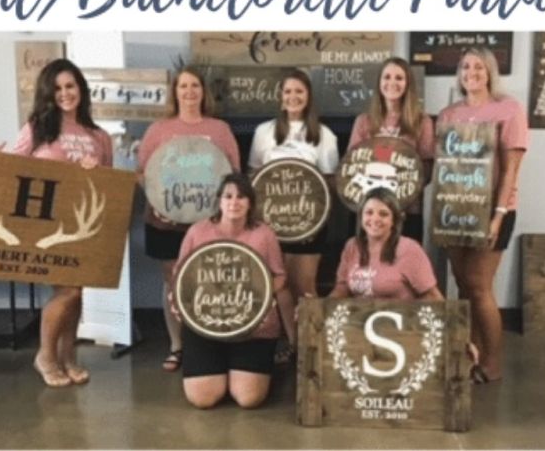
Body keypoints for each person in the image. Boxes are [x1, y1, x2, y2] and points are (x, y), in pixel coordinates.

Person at [0, 59, 113, 388]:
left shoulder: (100, 136)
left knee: (77, 295)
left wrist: (97, 171)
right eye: (57, 88)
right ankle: (46, 356)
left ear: (80, 88)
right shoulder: (37, 128)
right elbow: (12, 168)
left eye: (70, 86)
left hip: (83, 226)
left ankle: (68, 358)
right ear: (47, 94)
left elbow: (109, 186)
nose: (65, 93)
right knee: (69, 291)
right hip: (46, 229)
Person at [137, 66, 240, 373]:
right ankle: (178, 345)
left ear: (203, 92)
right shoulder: (159, 129)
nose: (190, 92)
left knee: (211, 281)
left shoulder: (219, 129)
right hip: (166, 223)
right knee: (173, 281)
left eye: (195, 86)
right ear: (175, 92)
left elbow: (234, 174)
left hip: (210, 224)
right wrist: (159, 200)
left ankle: (209, 343)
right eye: (183, 86)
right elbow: (142, 174)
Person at [437, 47, 528, 384]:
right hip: (454, 209)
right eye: (465, 66)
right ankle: (469, 350)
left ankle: (492, 361)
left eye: (478, 66)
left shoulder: (509, 109)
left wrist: (498, 215)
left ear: (490, 72)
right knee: (462, 285)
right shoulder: (448, 115)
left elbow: (511, 170)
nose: (471, 72)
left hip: (493, 210)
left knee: (479, 286)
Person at [170, 173, 288, 409]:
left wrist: (262, 299)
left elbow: (280, 275)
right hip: (205, 326)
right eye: (228, 196)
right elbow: (180, 274)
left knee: (248, 399)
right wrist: (178, 301)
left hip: (253, 328)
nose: (234, 202)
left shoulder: (264, 234)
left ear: (251, 203)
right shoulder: (198, 231)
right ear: (219, 201)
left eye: (241, 197)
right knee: (202, 399)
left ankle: (243, 369)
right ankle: (219, 366)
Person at [248, 69, 338, 363]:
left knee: (306, 286)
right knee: (280, 285)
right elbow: (254, 176)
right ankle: (292, 343)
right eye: (287, 91)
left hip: (310, 225)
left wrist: (314, 220)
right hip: (271, 225)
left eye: (299, 91)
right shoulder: (264, 132)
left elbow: (330, 182)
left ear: (308, 96)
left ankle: (312, 345)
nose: (293, 97)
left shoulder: (324, 135)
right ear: (280, 97)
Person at [348, 57, 434, 242]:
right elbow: (351, 166)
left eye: (399, 78)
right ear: (379, 83)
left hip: (407, 211)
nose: (392, 83)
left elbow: (427, 169)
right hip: (369, 214)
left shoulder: (422, 122)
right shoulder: (364, 122)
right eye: (387, 77)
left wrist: (401, 191)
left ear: (408, 84)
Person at [328, 188, 443, 301]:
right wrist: (323, 307)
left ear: (394, 220)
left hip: (398, 318)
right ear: (361, 217)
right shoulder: (352, 246)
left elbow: (434, 298)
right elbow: (342, 288)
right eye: (369, 212)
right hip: (359, 318)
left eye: (383, 214)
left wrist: (406, 312)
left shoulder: (410, 249)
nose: (375, 219)